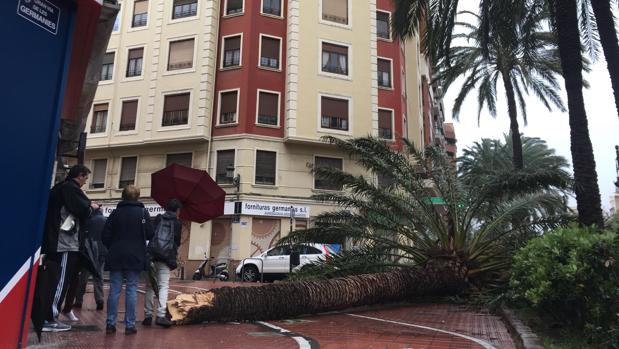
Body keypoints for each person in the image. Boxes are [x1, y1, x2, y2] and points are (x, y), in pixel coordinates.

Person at [41, 165, 99, 332]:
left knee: (52, 278)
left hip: (54, 241)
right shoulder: (71, 189)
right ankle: (50, 317)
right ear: (79, 176)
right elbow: (82, 210)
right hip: (64, 242)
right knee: (60, 280)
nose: (85, 183)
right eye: (85, 178)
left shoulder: (59, 188)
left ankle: (47, 315)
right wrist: (92, 208)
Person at [102, 185, 153, 335]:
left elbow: (105, 236)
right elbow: (150, 234)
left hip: (116, 254)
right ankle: (130, 325)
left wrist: (113, 246)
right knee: (131, 290)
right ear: (138, 197)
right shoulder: (143, 213)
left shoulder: (115, 213)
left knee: (114, 290)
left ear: (123, 196)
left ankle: (110, 324)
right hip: (135, 256)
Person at [143, 198, 183, 328]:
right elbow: (177, 241)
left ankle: (148, 315)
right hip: (166, 257)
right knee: (163, 285)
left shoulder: (159, 218)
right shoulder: (177, 223)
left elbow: (153, 234)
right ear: (177, 210)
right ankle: (160, 315)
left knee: (150, 286)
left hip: (153, 256)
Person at [74, 208, 107, 310]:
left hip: (88, 251)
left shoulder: (88, 220)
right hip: (101, 251)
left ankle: (79, 300)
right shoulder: (105, 220)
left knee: (84, 277)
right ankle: (99, 300)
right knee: (98, 276)